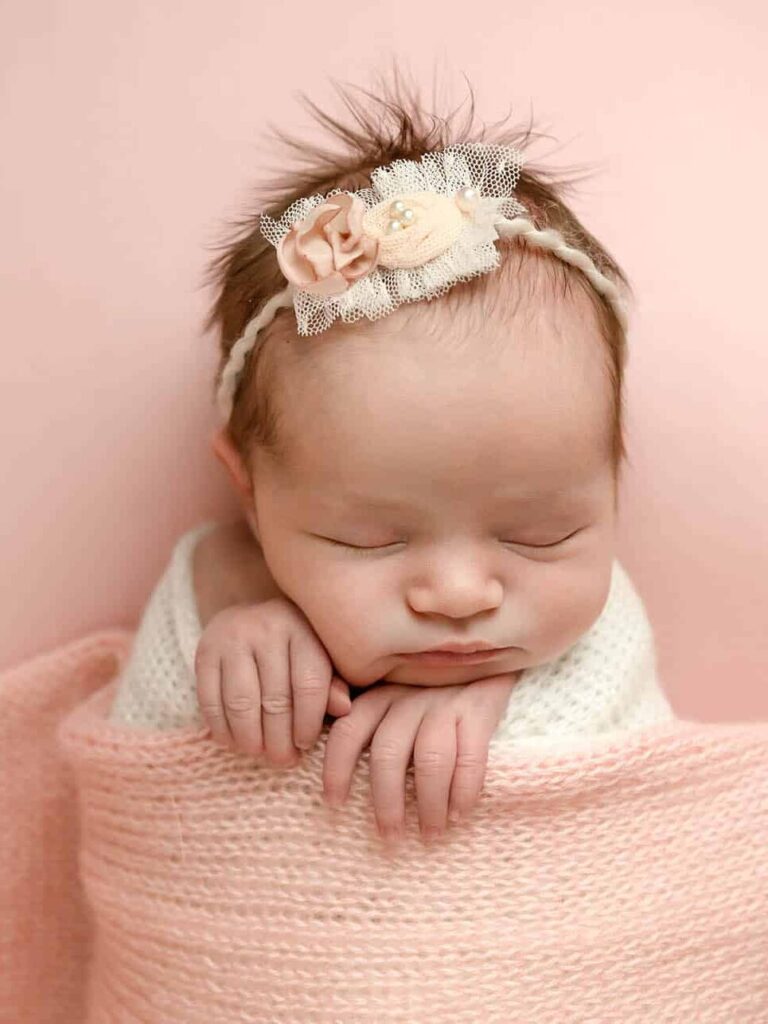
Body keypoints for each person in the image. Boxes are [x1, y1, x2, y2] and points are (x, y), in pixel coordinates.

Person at [107, 71, 675, 849]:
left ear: (613, 481)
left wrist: (513, 704)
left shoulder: (598, 638)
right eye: (371, 539)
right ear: (249, 494)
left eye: (539, 534)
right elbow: (146, 790)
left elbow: (640, 789)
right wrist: (232, 648)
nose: (457, 595)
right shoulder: (224, 590)